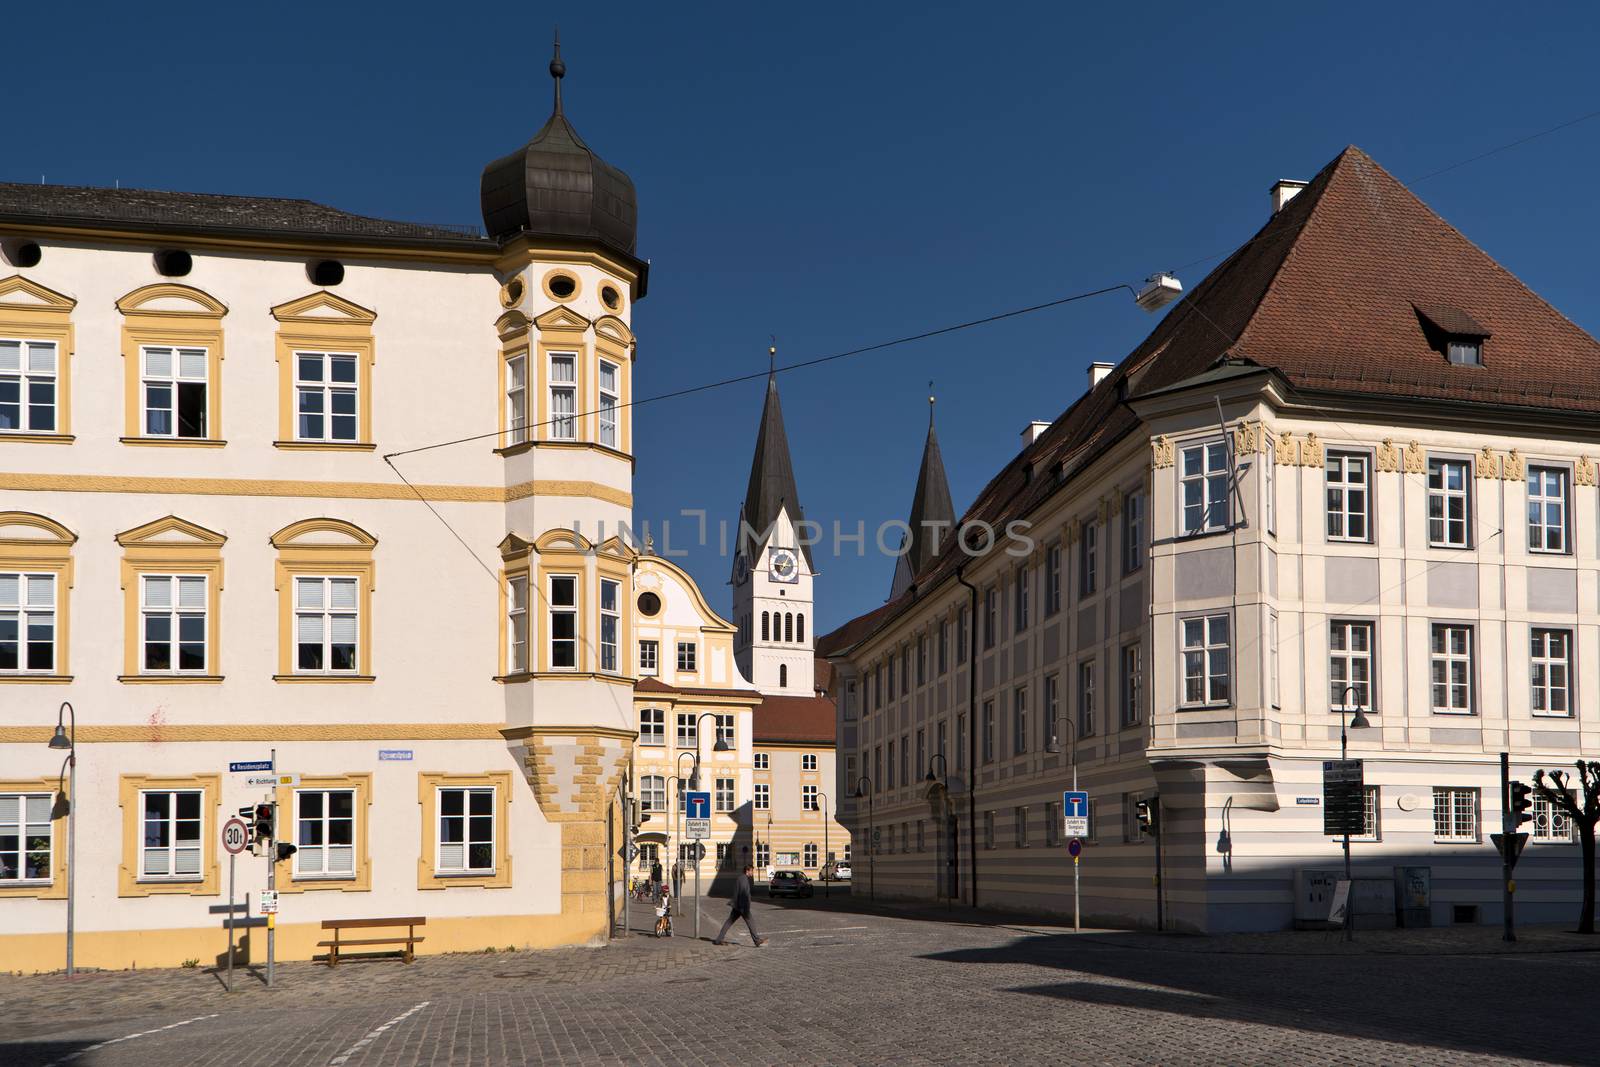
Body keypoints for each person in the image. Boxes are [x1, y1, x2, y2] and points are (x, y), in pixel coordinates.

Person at [713, 864, 766, 947]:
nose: (752, 872)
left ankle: (718, 940)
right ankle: (756, 940)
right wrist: (745, 908)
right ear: (747, 871)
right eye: (752, 870)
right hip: (742, 906)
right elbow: (743, 894)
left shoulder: (741, 878)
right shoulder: (744, 880)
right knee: (751, 922)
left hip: (737, 905)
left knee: (729, 922)